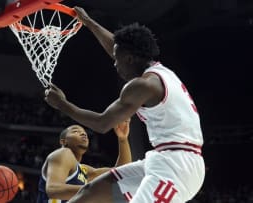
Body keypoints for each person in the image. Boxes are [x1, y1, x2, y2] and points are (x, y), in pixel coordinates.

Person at [43, 6, 205, 203]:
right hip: (164, 159)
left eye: (117, 59)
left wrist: (62, 104)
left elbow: (102, 124)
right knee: (89, 193)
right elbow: (116, 46)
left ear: (129, 58)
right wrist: (89, 22)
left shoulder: (143, 86)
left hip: (178, 168)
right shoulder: (155, 69)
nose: (114, 64)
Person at [36, 120, 132, 203]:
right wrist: (94, 192)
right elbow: (53, 190)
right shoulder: (63, 154)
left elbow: (121, 172)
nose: (83, 133)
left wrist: (122, 139)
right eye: (75, 131)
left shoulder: (83, 170)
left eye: (84, 132)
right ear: (63, 141)